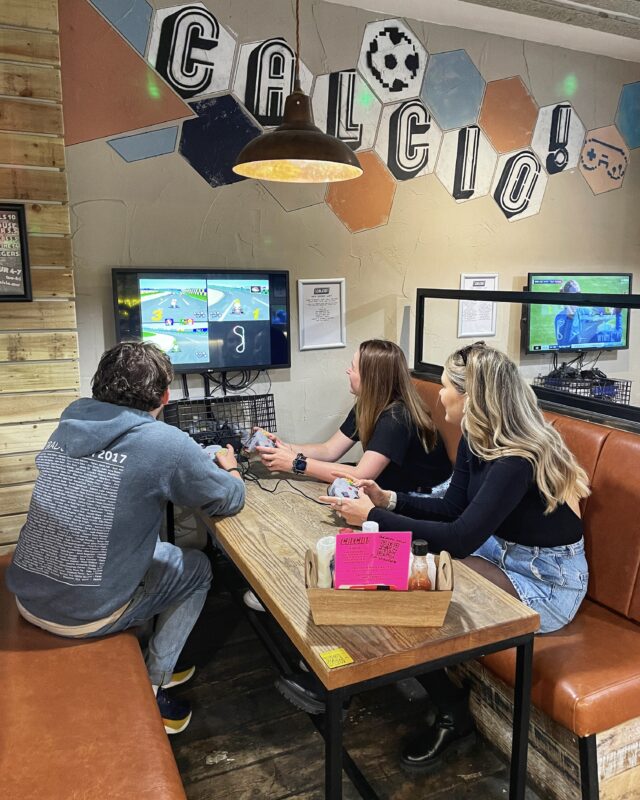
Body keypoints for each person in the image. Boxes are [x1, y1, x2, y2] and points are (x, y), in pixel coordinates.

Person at [322, 341, 590, 772]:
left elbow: (460, 539)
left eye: (446, 386)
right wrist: (388, 499)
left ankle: (452, 712)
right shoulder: (476, 437)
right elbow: (451, 508)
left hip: (547, 577)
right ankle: (346, 678)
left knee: (419, 585)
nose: (439, 394)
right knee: (383, 561)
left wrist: (372, 516)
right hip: (500, 548)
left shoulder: (516, 459)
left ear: (470, 397)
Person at [5, 342, 245, 735]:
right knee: (198, 568)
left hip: (29, 595)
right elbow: (228, 498)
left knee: (156, 551)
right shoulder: (164, 442)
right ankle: (155, 682)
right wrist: (231, 469)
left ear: (98, 386)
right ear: (165, 396)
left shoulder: (71, 421)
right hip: (82, 616)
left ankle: (152, 653)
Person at [256, 339, 452, 492]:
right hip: (392, 482)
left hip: (426, 495)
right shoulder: (368, 405)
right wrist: (283, 447)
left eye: (353, 368)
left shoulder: (396, 417)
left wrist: (295, 463)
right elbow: (329, 450)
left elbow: (361, 475)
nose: (348, 371)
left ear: (370, 378)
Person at [555, 279, 622, 346]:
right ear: (567, 297)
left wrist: (616, 311)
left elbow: (609, 313)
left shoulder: (584, 311)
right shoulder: (561, 318)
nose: (578, 297)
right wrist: (570, 318)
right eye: (574, 295)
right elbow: (563, 346)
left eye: (579, 293)